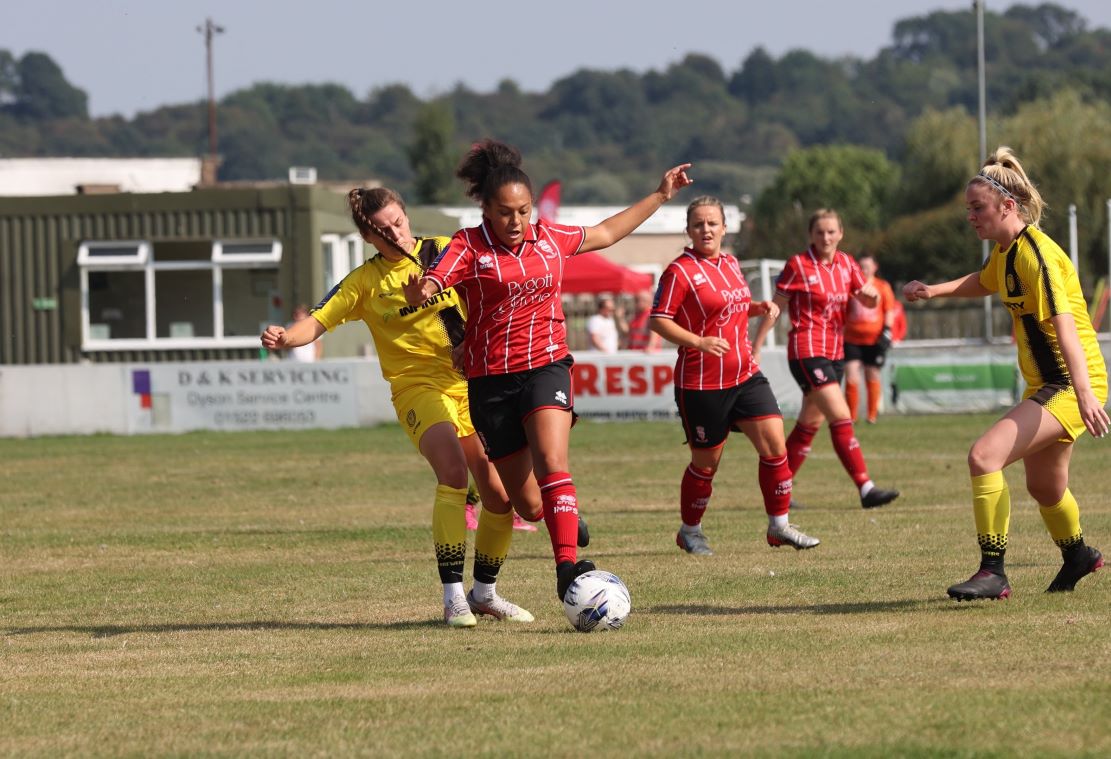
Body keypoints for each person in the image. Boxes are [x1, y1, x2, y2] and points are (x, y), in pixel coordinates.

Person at [404, 138, 693, 602]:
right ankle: (562, 513)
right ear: (486, 211)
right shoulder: (467, 245)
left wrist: (660, 195)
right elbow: (436, 279)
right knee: (529, 504)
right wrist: (423, 290)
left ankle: (566, 570)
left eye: (523, 211)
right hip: (489, 383)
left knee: (554, 463)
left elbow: (607, 232)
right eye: (504, 212)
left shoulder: (551, 239)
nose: (515, 221)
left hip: (546, 367)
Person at [261, 186, 534, 628]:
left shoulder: (445, 252)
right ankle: (452, 599)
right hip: (416, 389)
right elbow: (316, 320)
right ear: (370, 239)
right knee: (452, 472)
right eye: (384, 230)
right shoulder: (364, 282)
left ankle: (484, 593)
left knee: (499, 497)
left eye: (398, 222)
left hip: (470, 386)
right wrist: (284, 337)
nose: (396, 233)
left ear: (406, 215)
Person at [904, 146, 1108, 600]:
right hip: (1052, 385)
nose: (971, 217)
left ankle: (992, 571)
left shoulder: (1037, 255)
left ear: (1007, 206)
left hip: (1071, 385)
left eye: (978, 208)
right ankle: (1078, 555)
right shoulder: (1007, 250)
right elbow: (985, 280)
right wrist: (932, 290)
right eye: (969, 209)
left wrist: (1087, 394)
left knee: (984, 456)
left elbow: (1068, 330)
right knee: (1046, 486)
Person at [650, 196, 820, 555]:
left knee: (775, 446)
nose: (706, 229)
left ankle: (779, 527)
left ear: (725, 228)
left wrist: (759, 307)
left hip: (744, 373)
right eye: (699, 224)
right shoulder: (679, 271)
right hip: (701, 384)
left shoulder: (730, 263)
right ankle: (690, 531)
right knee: (706, 464)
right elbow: (659, 320)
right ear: (689, 230)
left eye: (713, 223)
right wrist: (698, 341)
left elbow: (735, 308)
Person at [752, 209, 899, 510]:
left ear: (841, 233)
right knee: (842, 416)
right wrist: (756, 346)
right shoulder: (798, 265)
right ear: (811, 235)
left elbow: (866, 296)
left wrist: (870, 298)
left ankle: (779, 489)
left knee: (809, 423)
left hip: (835, 352)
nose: (826, 237)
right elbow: (775, 307)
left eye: (831, 231)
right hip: (807, 350)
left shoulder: (847, 264)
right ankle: (865, 488)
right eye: (820, 232)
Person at [843, 254, 898, 423]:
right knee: (851, 375)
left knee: (872, 375)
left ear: (875, 267)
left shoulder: (882, 286)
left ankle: (871, 415)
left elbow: (889, 310)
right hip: (852, 338)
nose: (864, 269)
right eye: (861, 266)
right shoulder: (851, 287)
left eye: (867, 266)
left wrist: (887, 331)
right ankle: (851, 417)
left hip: (874, 340)